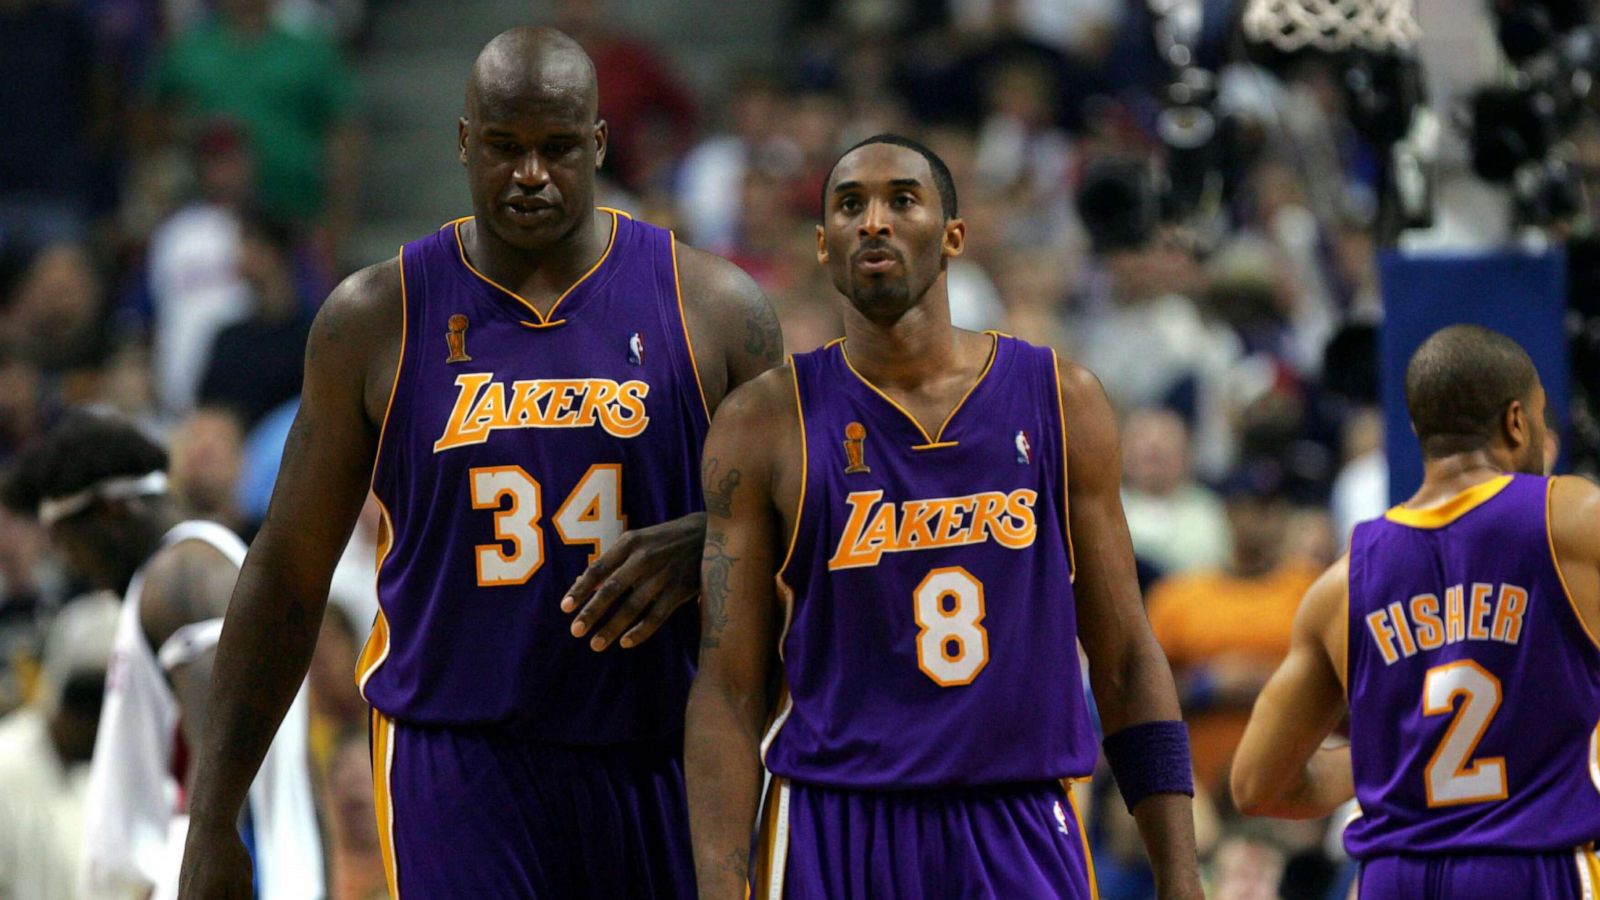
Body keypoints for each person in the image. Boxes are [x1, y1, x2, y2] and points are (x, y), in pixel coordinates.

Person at [179, 26, 782, 899]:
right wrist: (212, 817)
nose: (531, 174)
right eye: (505, 148)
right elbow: (287, 574)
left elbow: (808, 528)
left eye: (558, 148)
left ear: (600, 145)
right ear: (464, 143)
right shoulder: (373, 318)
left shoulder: (715, 308)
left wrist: (712, 542)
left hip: (660, 746)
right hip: (455, 757)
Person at [684, 134, 1202, 899]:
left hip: (1017, 816)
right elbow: (727, 691)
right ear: (823, 246)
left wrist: (1180, 876)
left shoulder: (1062, 399)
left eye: (902, 199)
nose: (874, 222)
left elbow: (1125, 655)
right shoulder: (764, 423)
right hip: (835, 826)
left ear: (953, 235)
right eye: (850, 205)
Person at [1231, 324, 1600, 898]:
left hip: (1395, 878)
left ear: (1418, 430)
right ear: (1517, 422)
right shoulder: (1570, 519)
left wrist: (1396, 755)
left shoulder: (1341, 584)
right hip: (1528, 867)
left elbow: (1256, 785)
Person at [1, 412, 322, 900]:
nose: (68, 561)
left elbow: (224, 754)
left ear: (111, 511)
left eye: (67, 540)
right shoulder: (182, 571)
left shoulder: (182, 576)